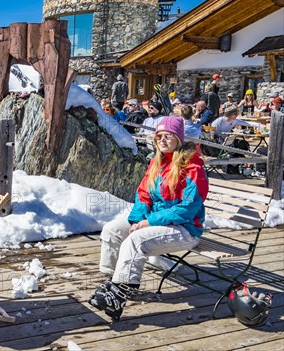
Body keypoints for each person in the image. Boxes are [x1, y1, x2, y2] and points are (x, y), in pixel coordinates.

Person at [89, 116, 208, 321]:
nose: (162, 140)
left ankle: (118, 293)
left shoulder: (193, 168)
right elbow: (143, 194)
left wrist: (150, 222)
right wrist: (137, 220)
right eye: (158, 136)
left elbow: (187, 208)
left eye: (167, 136)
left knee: (136, 241)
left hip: (185, 228)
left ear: (178, 138)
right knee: (112, 230)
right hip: (157, 221)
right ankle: (113, 280)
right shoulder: (157, 162)